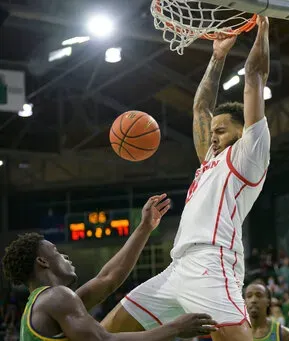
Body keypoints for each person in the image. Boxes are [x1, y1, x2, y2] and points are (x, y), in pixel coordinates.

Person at [101, 15, 271, 341]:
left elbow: (254, 76)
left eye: (221, 130)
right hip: (177, 267)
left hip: (212, 261)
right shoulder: (210, 160)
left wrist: (262, 28)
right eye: (213, 131)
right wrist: (218, 55)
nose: (214, 135)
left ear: (243, 130)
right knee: (105, 332)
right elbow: (200, 108)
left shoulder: (250, 152)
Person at [1, 194, 217, 341]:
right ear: (43, 262)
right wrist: (175, 328)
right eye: (57, 252)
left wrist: (145, 227)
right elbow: (104, 340)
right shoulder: (56, 297)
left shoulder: (48, 301)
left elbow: (108, 278)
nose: (65, 256)